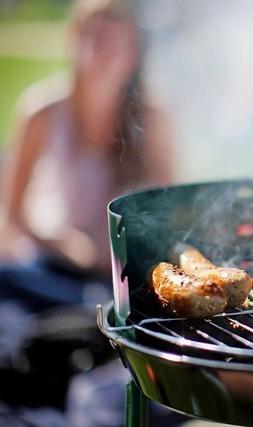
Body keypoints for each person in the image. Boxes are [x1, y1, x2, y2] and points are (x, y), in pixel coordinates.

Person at [0, 0, 172, 313]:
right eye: (96, 38)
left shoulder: (152, 118)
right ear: (74, 40)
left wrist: (126, 254)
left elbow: (172, 212)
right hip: (54, 264)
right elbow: (13, 217)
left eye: (117, 42)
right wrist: (68, 246)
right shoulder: (41, 112)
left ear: (134, 53)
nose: (105, 53)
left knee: (121, 304)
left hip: (123, 271)